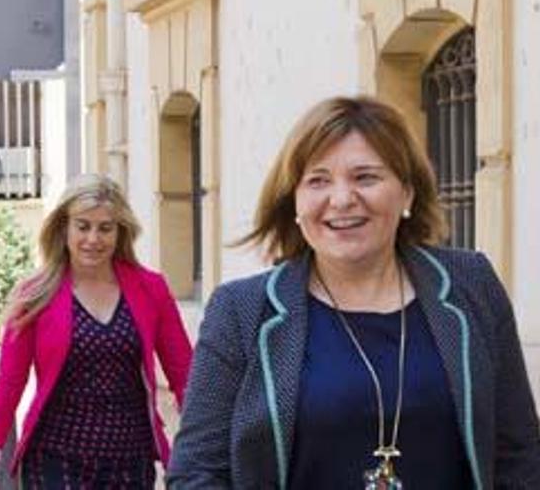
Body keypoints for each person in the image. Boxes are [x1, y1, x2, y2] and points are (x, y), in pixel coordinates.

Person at [167, 96, 540, 488]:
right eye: (318, 180)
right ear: (295, 200)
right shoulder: (242, 311)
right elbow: (196, 471)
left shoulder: (471, 285)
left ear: (407, 193)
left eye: (365, 177)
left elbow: (518, 454)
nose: (342, 199)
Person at [0, 174, 193, 488]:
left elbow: (186, 374)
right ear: (64, 227)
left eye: (105, 228)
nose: (93, 239)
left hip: (130, 461)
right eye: (83, 226)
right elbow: (8, 384)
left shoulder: (150, 289)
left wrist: (205, 448)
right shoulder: (33, 295)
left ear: (120, 231)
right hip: (54, 460)